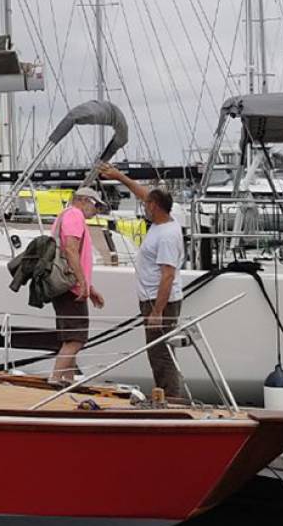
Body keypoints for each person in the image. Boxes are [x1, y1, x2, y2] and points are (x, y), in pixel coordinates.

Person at [97, 163, 189, 401]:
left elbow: (167, 274)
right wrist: (119, 177)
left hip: (159, 302)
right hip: (151, 299)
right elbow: (143, 193)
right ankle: (165, 395)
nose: (144, 206)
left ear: (154, 207)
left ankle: (171, 398)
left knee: (160, 352)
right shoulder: (166, 219)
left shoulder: (167, 235)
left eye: (147, 204)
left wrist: (158, 311)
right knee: (156, 351)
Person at [49, 187, 106, 385]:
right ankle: (56, 378)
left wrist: (90, 288)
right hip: (71, 287)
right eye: (96, 204)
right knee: (77, 338)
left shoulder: (65, 214)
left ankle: (67, 378)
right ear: (83, 200)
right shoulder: (74, 215)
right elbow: (71, 250)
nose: (97, 210)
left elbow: (73, 254)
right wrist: (82, 284)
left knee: (70, 336)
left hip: (67, 285)